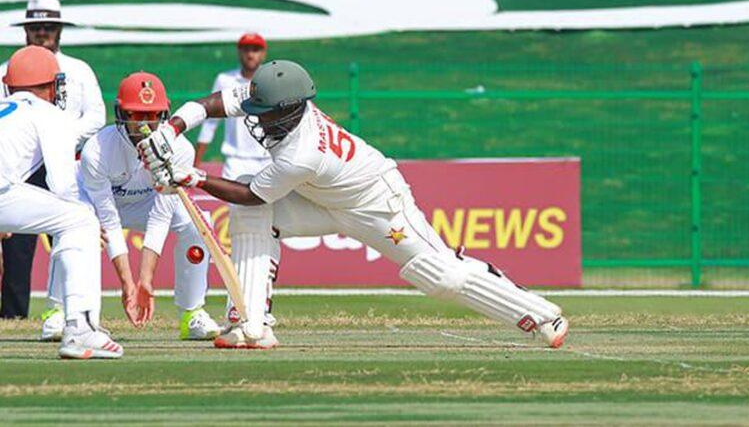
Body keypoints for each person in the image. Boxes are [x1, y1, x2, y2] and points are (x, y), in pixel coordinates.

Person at [136, 60, 568, 349]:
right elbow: (214, 104)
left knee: (439, 275)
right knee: (251, 216)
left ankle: (540, 315)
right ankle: (251, 323)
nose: (255, 117)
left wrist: (192, 177)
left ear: (286, 109)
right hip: (322, 198)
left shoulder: (301, 151)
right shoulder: (281, 100)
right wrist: (173, 128)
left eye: (263, 112)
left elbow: (253, 192)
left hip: (378, 204)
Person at [46, 72, 221, 341]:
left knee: (198, 224)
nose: (144, 125)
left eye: (152, 115)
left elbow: (161, 217)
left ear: (165, 114)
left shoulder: (181, 150)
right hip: (97, 204)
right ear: (120, 113)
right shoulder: (98, 149)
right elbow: (109, 220)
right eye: (136, 115)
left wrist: (145, 281)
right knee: (69, 223)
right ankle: (58, 312)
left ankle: (192, 313)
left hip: (147, 203)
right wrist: (128, 284)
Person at [0, 46, 121, 359]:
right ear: (52, 86)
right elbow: (63, 185)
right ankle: (79, 328)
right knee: (81, 219)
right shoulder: (51, 114)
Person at [194, 32, 277, 326]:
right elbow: (210, 123)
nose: (250, 55)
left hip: (268, 162)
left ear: (263, 53)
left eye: (255, 49)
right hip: (235, 163)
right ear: (239, 52)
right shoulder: (225, 80)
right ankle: (236, 304)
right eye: (245, 49)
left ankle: (261, 304)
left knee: (269, 232)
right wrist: (196, 162)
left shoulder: (272, 81)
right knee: (237, 236)